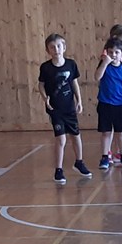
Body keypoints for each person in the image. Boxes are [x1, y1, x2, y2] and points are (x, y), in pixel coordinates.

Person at [37, 33, 92, 185]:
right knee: (61, 139)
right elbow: (41, 85)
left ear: (64, 47)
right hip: (55, 109)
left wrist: (79, 101)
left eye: (59, 46)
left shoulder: (71, 64)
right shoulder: (46, 68)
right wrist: (45, 98)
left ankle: (79, 162)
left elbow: (74, 83)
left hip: (69, 107)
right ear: (48, 50)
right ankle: (58, 170)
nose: (56, 49)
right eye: (52, 47)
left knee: (76, 135)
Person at [95, 37, 122, 169]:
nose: (113, 55)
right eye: (111, 52)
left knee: (120, 132)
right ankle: (105, 157)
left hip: (119, 105)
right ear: (106, 52)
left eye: (117, 52)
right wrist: (104, 63)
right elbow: (97, 77)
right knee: (106, 132)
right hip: (105, 104)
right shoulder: (104, 66)